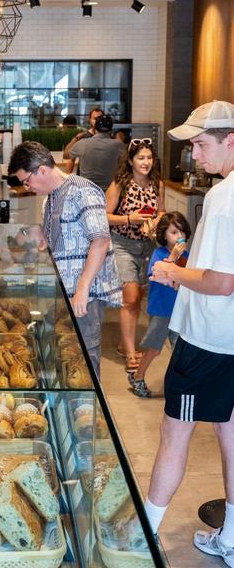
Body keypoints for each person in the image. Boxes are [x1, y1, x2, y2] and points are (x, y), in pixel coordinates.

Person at [142, 100, 234, 566]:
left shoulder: (223, 198)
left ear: (230, 140)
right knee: (230, 435)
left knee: (173, 433)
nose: (193, 156)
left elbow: (222, 281)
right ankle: (232, 538)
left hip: (207, 340)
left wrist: (172, 273)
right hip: (229, 339)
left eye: (200, 145)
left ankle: (142, 537)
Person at [8, 141, 121, 376]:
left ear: (41, 170)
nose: (27, 187)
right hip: (63, 292)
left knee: (84, 360)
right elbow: (59, 240)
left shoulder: (83, 190)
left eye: (26, 181)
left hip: (84, 295)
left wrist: (82, 288)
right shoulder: (50, 198)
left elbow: (100, 240)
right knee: (65, 355)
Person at [105, 137, 165, 373]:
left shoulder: (157, 184)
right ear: (130, 161)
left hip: (148, 246)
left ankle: (124, 343)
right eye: (141, 158)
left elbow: (161, 211)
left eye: (149, 157)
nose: (146, 162)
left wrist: (156, 222)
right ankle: (131, 353)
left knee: (138, 297)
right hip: (122, 245)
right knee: (130, 298)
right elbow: (104, 216)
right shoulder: (120, 184)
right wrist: (130, 219)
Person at [129, 211, 190, 398]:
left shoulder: (187, 255)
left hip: (178, 310)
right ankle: (138, 376)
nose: (179, 236)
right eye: (174, 232)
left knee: (179, 349)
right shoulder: (159, 254)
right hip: (162, 310)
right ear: (164, 234)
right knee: (154, 348)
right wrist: (172, 258)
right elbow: (155, 275)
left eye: (182, 232)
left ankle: (177, 384)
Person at [66, 114, 126, 191]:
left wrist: (76, 138)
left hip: (86, 190)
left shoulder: (83, 143)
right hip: (108, 191)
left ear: (95, 129)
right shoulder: (118, 144)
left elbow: (66, 155)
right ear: (111, 130)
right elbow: (126, 159)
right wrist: (119, 139)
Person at [63, 107, 103, 174]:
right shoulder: (82, 136)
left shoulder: (108, 138)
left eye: (100, 118)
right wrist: (67, 176)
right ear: (90, 120)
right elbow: (70, 158)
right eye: (95, 119)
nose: (98, 121)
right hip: (83, 177)